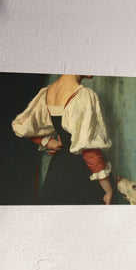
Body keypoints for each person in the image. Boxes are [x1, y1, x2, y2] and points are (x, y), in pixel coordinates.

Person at [11, 75, 113, 205]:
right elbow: (89, 151)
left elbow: (23, 126)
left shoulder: (48, 92)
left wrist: (48, 142)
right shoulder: (84, 95)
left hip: (58, 170)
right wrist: (108, 190)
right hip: (81, 173)